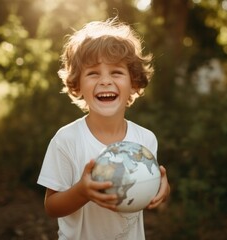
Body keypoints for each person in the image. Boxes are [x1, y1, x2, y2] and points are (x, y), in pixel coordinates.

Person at [37, 17, 170, 240]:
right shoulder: (66, 140)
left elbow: (146, 187)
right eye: (93, 73)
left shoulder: (146, 140)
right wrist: (82, 191)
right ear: (77, 85)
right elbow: (51, 207)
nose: (105, 81)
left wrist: (162, 189)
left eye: (116, 72)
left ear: (134, 83)